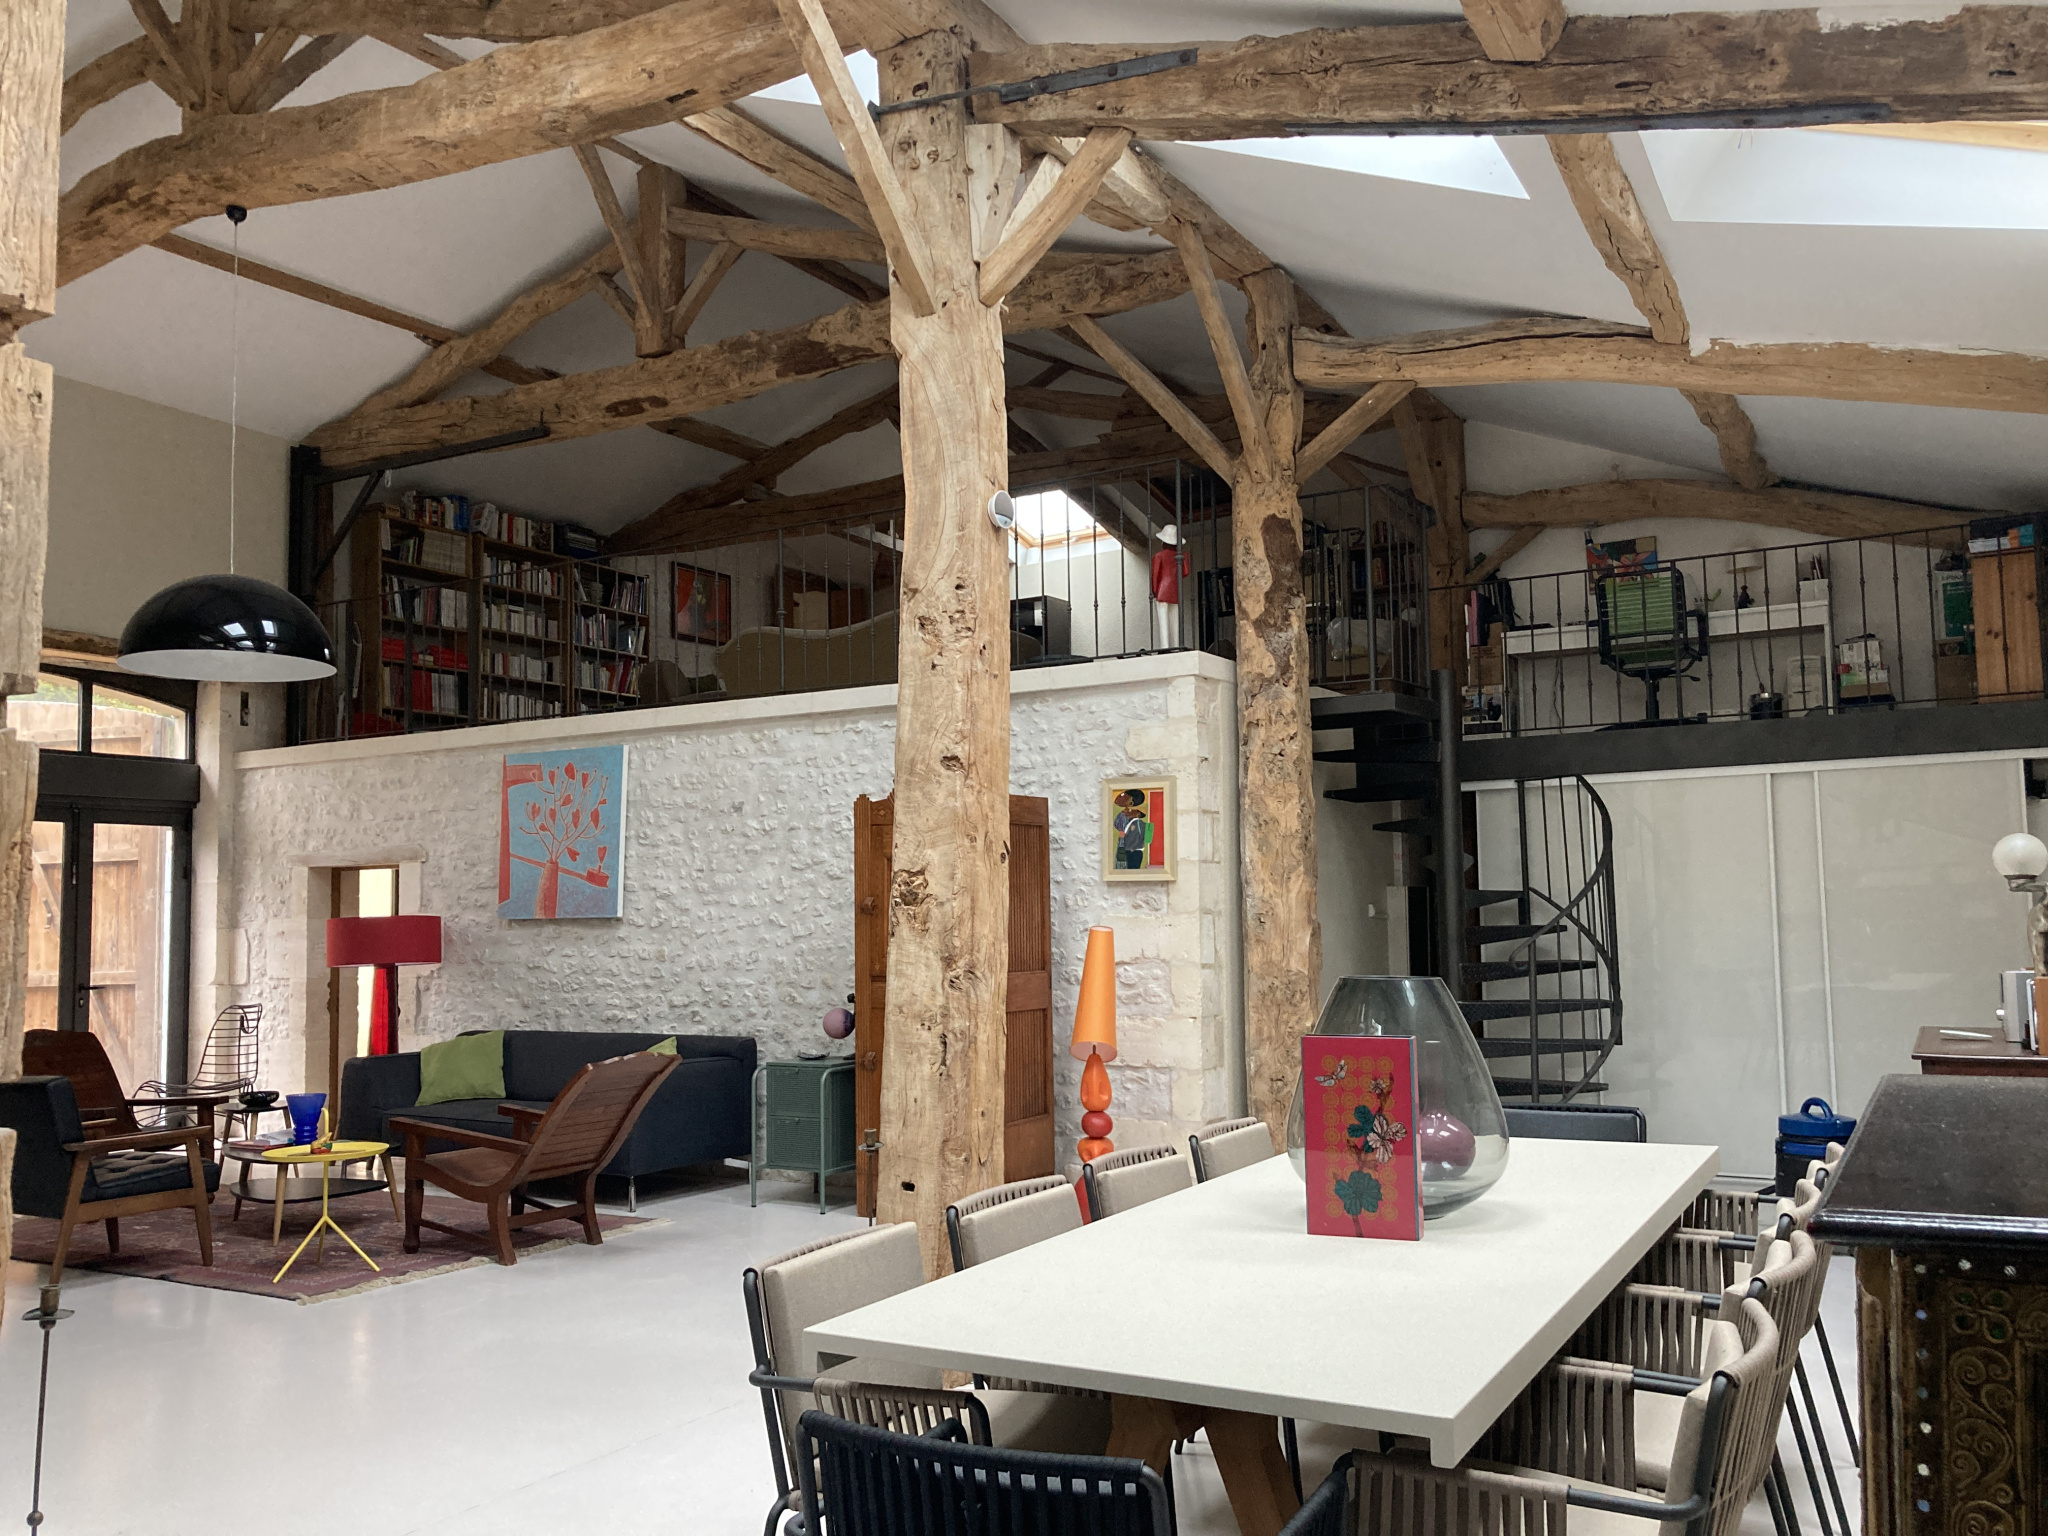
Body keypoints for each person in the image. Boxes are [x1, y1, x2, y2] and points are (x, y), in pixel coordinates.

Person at [1151, 524, 1183, 650]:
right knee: (1175, 620)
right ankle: (1176, 645)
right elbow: (1185, 572)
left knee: (1163, 620)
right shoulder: (1179, 557)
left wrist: (1154, 590)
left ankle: (1165, 646)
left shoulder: (1158, 556)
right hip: (1174, 591)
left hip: (1162, 591)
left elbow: (1155, 575)